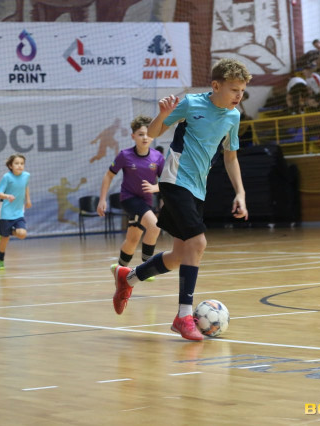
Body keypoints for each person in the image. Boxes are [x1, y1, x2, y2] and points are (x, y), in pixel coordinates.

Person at [111, 58, 251, 341]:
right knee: (198, 243)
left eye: (242, 91)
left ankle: (128, 277)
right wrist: (163, 114)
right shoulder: (191, 104)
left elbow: (230, 157)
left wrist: (241, 192)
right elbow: (153, 133)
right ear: (216, 86)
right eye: (234, 89)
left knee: (178, 256)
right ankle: (183, 316)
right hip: (175, 180)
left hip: (198, 188)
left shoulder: (233, 117)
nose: (239, 95)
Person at [97, 115, 165, 280]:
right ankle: (147, 268)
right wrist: (102, 199)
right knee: (155, 226)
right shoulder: (125, 155)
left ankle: (119, 268)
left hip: (146, 201)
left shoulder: (157, 157)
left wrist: (155, 188)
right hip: (129, 199)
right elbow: (108, 175)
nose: (145, 137)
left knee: (133, 239)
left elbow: (166, 182)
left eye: (148, 134)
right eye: (141, 134)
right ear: (133, 136)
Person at [0, 153, 31, 270]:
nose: (20, 166)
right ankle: (0, 260)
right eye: (16, 163)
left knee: (22, 234)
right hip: (5, 212)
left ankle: (7, 232)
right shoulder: (7, 177)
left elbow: (25, 186)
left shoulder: (26, 175)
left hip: (18, 211)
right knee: (5, 239)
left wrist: (28, 200)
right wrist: (7, 196)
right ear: (10, 166)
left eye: (22, 163)